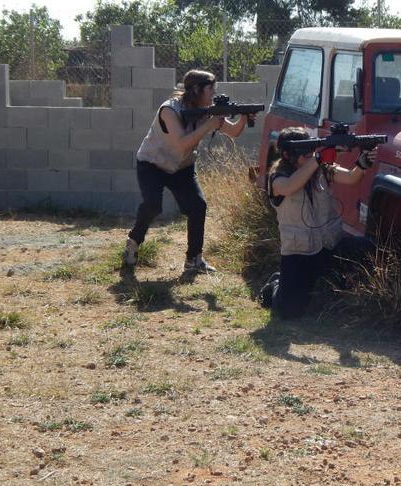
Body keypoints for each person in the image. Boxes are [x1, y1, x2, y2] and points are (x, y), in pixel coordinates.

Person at [123, 69, 254, 273]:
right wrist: (208, 125)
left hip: (182, 167)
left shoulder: (206, 109)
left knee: (197, 206)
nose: (213, 93)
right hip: (152, 164)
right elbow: (181, 144)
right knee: (153, 206)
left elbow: (234, 132)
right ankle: (133, 241)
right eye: (210, 89)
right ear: (196, 89)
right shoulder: (169, 110)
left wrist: (245, 118)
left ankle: (194, 259)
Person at [262, 127, 376, 319]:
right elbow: (290, 187)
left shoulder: (320, 168)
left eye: (311, 153)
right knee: (289, 312)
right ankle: (276, 284)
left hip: (329, 246)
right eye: (304, 155)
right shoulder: (277, 178)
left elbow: (351, 178)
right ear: (287, 155)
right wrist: (317, 159)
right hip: (300, 253)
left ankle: (341, 289)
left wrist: (362, 164)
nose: (309, 157)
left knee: (367, 248)